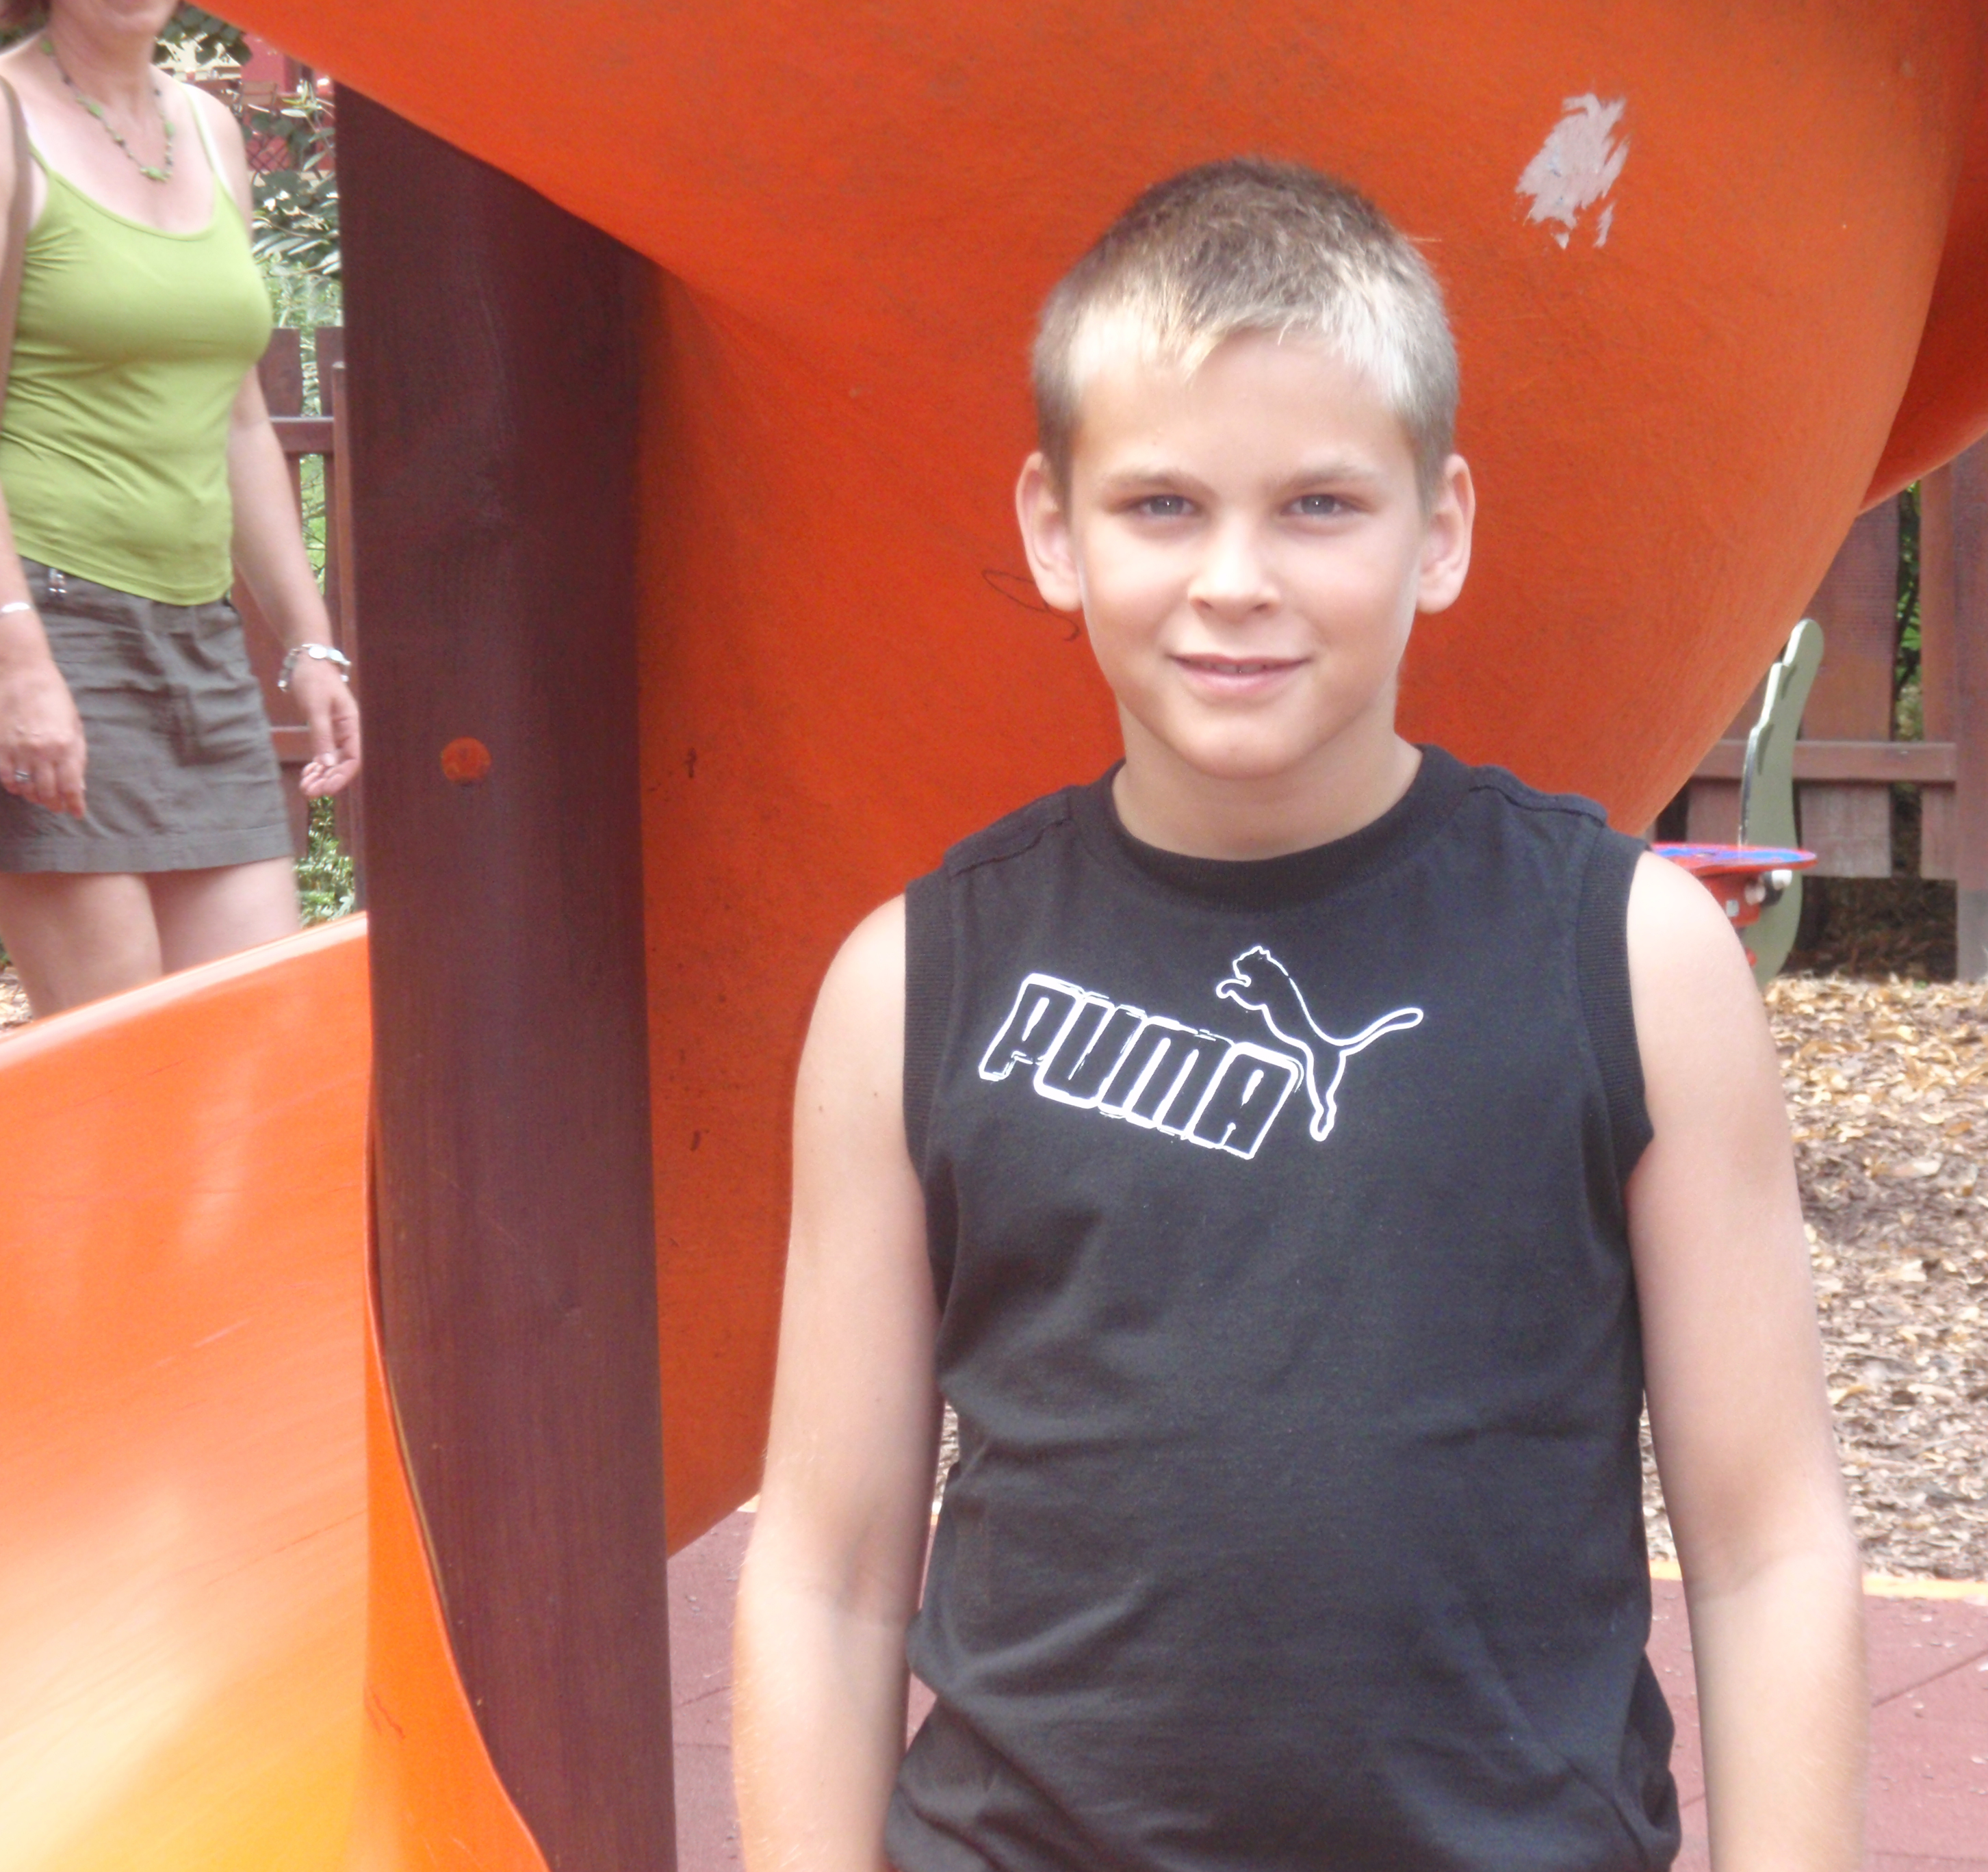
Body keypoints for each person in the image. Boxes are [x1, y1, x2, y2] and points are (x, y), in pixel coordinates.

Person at [735, 159, 1865, 1872]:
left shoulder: (1631, 960)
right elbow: (824, 1574)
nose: (1236, 579)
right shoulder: (912, 982)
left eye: (1321, 505)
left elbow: (1769, 1544)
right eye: (1161, 505)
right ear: (1054, 529)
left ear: (1441, 528)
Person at [0, 0, 359, 1017]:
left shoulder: (208, 125)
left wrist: (310, 644)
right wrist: (20, 665)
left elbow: (239, 419)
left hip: (199, 637)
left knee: (250, 1037)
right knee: (115, 1056)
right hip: (50, 618)